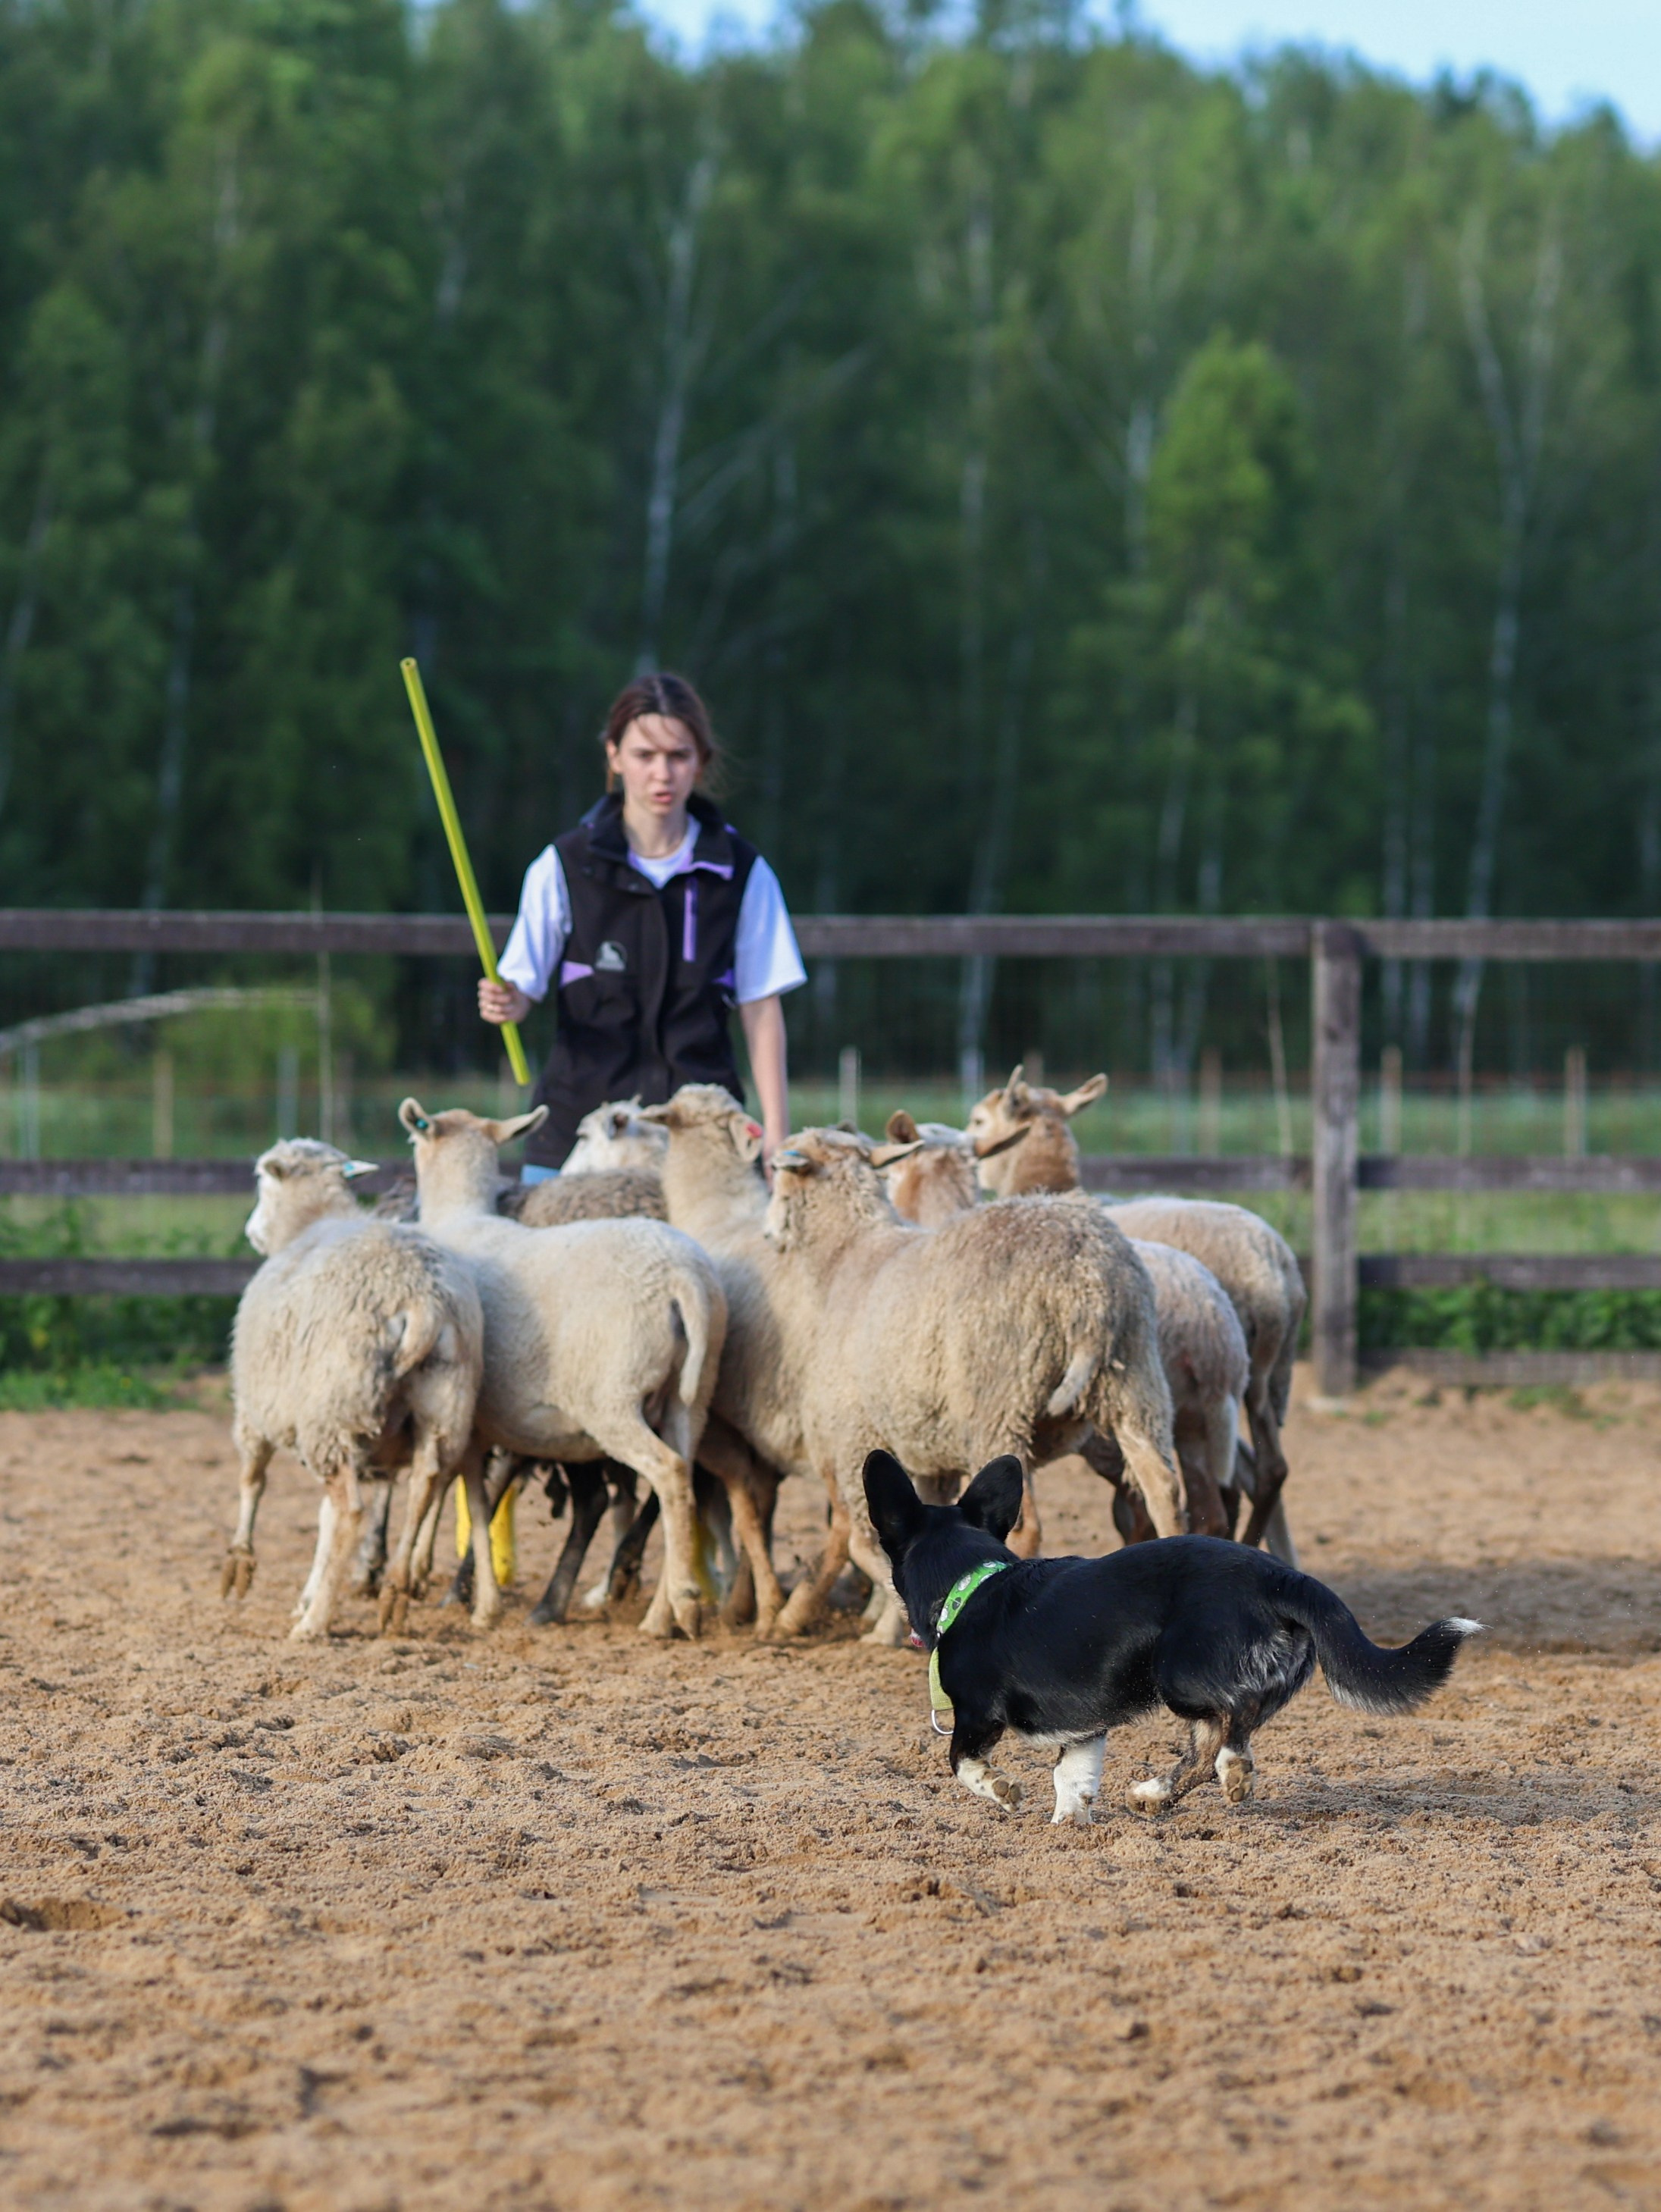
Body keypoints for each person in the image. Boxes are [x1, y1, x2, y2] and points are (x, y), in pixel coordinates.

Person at [478, 671, 805, 1178]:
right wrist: (507, 1001)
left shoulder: (741, 871)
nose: (662, 774)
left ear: (701, 762)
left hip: (699, 1145)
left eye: (678, 756)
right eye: (644, 756)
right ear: (613, 756)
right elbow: (523, 987)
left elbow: (762, 1009)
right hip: (577, 1142)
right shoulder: (562, 865)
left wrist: (776, 1133)